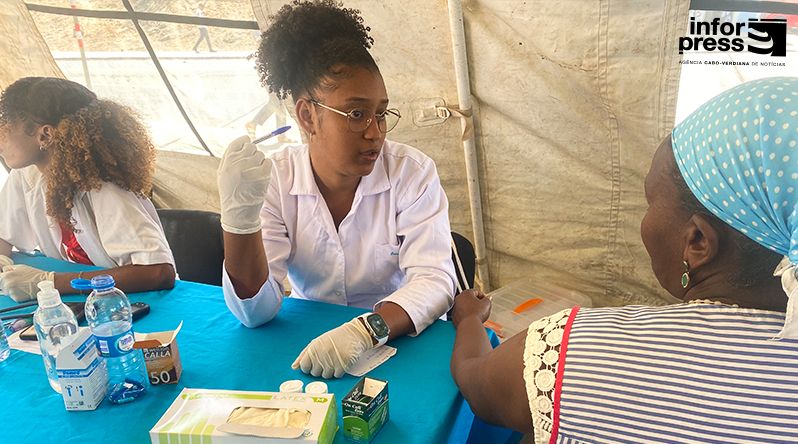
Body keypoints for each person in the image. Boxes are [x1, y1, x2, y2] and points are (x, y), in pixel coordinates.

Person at [450, 77, 798, 441]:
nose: (644, 221)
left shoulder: (588, 355)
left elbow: (478, 383)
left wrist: (470, 319)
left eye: (650, 202)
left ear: (697, 241)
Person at [218, 0, 456, 379]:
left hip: (399, 338)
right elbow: (255, 312)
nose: (374, 132)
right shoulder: (276, 180)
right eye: (357, 114)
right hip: (309, 345)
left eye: (381, 113)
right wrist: (238, 220)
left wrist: (367, 330)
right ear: (307, 115)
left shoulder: (412, 173)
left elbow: (436, 279)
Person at [0, 77, 176, 302]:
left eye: (7, 128)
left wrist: (50, 282)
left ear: (45, 135)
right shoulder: (28, 175)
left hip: (134, 302)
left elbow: (158, 272)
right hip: (81, 300)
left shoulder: (105, 188)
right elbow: (4, 233)